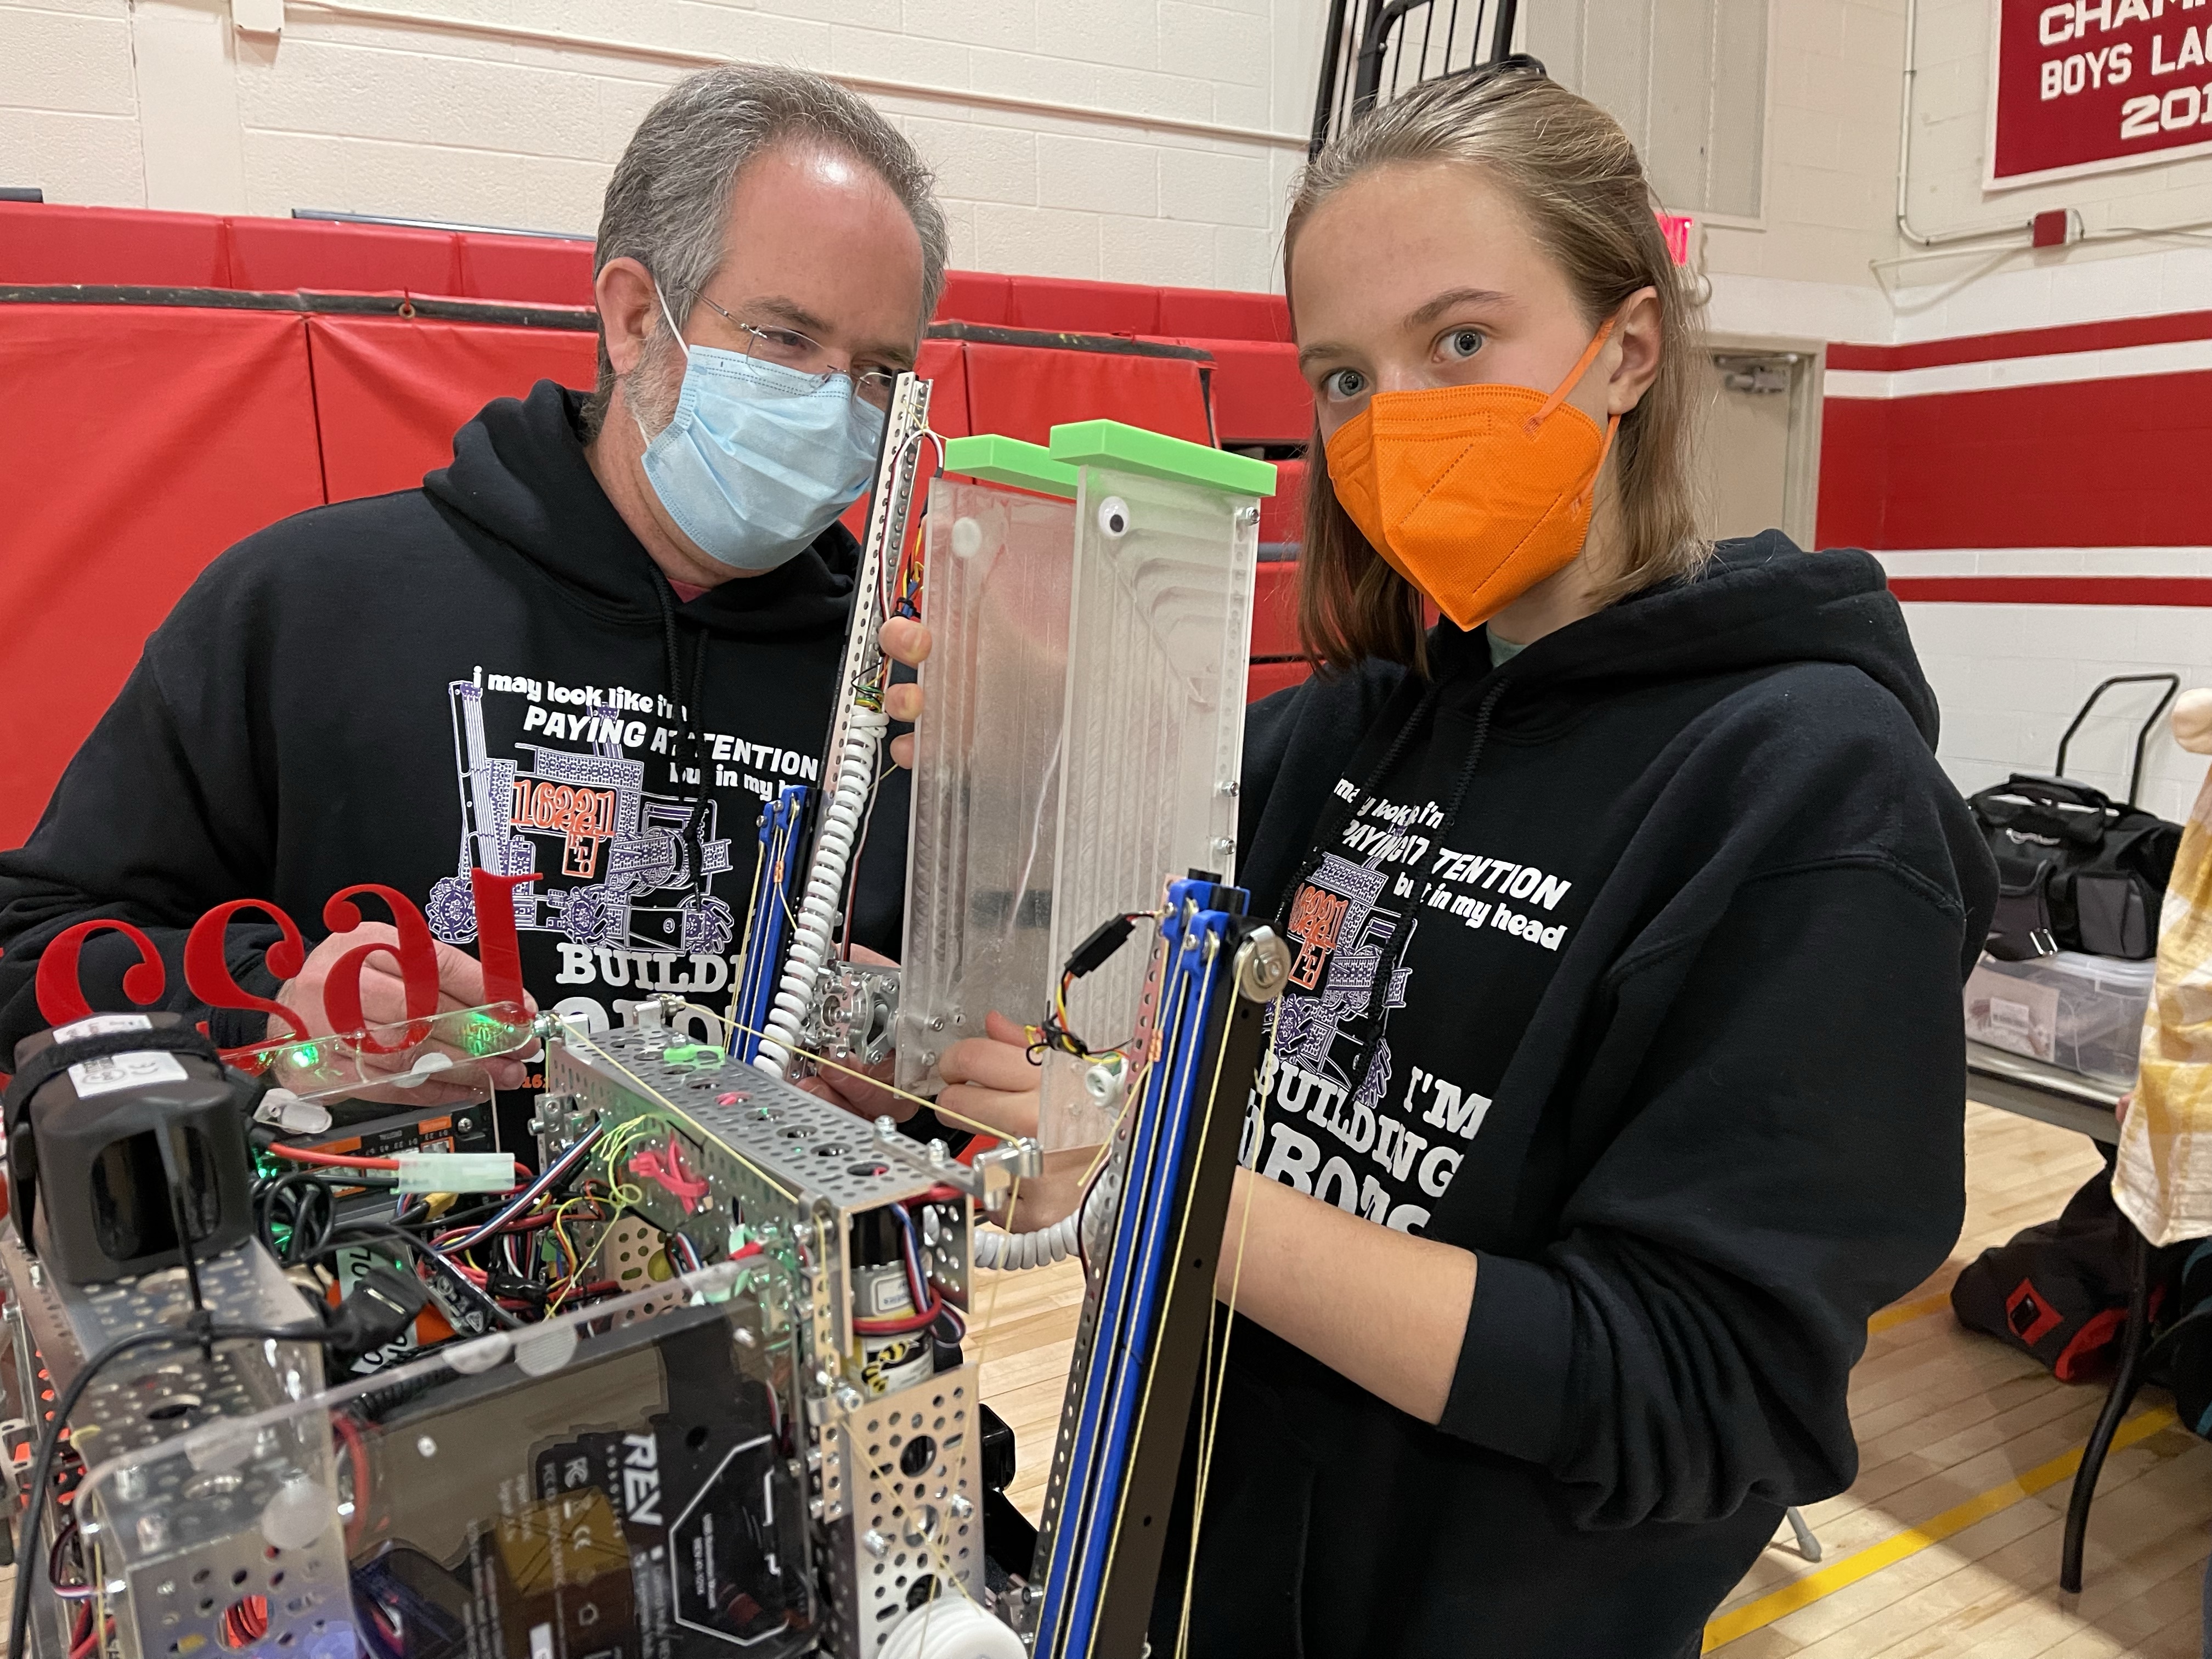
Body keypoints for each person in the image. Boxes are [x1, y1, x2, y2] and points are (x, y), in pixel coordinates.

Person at [938, 62, 1998, 1657]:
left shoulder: (1812, 796)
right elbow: (1120, 979)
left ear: (1627, 346)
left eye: (1460, 341)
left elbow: (1700, 1388)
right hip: (1186, 1571)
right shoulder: (1363, 722)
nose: (1401, 422)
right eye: (1346, 378)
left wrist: (1165, 1194)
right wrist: (1020, 738)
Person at [0, 66, 939, 1139]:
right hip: (395, 1282)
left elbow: (975, 1071)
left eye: (878, 374)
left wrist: (928, 1083)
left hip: (788, 1295)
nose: (834, 405)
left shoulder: (895, 701)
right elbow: (34, 948)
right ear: (636, 318)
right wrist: (278, 1007)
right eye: (784, 339)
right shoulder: (310, 605)